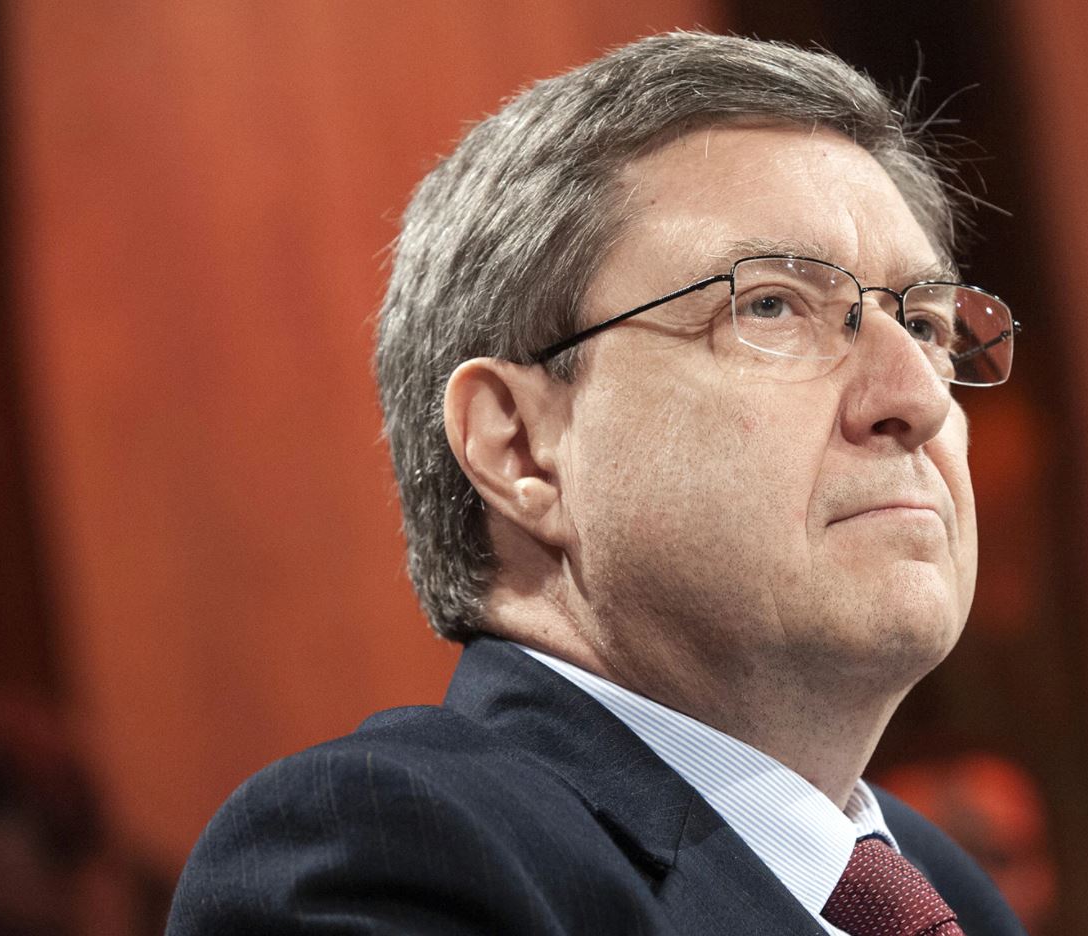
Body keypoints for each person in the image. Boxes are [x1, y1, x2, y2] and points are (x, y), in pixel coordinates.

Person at [169, 30, 1024, 936]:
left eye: (926, 326)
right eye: (772, 305)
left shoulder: (948, 894)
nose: (916, 399)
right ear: (520, 447)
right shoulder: (388, 855)